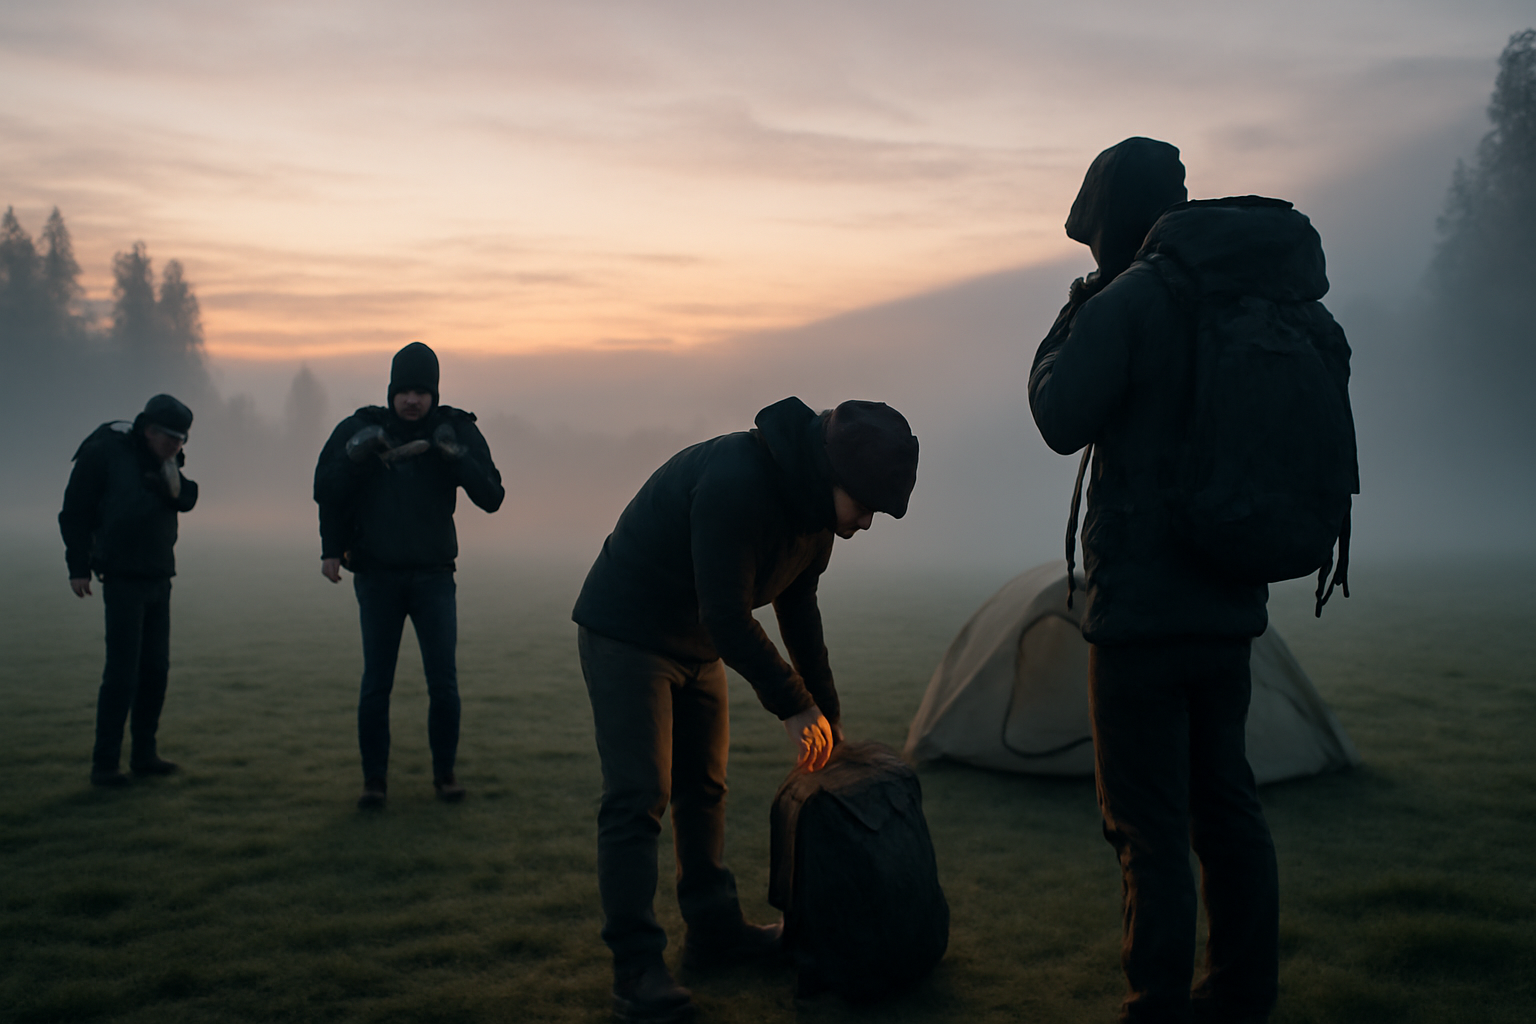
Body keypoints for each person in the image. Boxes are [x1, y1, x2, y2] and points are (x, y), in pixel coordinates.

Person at [1029, 137, 1342, 1023]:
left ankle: (1156, 1005)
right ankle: (1242, 998)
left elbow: (1058, 415)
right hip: (1230, 605)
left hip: (1139, 617)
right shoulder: (1243, 295)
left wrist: (1077, 309)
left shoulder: (1133, 299)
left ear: (1109, 222)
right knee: (1227, 808)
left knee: (1147, 824)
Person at [572, 396, 918, 1023]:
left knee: (705, 788)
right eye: (866, 504)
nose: (868, 522)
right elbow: (728, 615)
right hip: (628, 632)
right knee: (637, 797)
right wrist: (792, 705)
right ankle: (636, 971)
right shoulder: (736, 481)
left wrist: (827, 714)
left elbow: (798, 612)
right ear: (834, 474)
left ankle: (714, 932)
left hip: (700, 641)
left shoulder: (815, 517)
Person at [313, 341, 504, 810]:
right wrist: (331, 548)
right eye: (405, 391)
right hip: (376, 577)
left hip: (434, 577)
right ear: (391, 392)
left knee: (443, 683)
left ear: (434, 393)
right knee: (377, 684)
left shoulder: (453, 429)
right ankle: (374, 783)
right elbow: (326, 490)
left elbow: (492, 496)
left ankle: (445, 777)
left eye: (422, 391)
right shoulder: (361, 429)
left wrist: (455, 455)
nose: (413, 400)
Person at [59, 393, 199, 787]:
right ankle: (105, 765)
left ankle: (144, 756)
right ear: (149, 430)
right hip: (121, 576)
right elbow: (75, 512)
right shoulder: (105, 453)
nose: (177, 446)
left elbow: (185, 497)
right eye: (171, 438)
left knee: (156, 671)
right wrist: (78, 567)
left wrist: (171, 487)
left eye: (182, 440)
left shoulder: (166, 459)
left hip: (159, 574)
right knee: (121, 674)